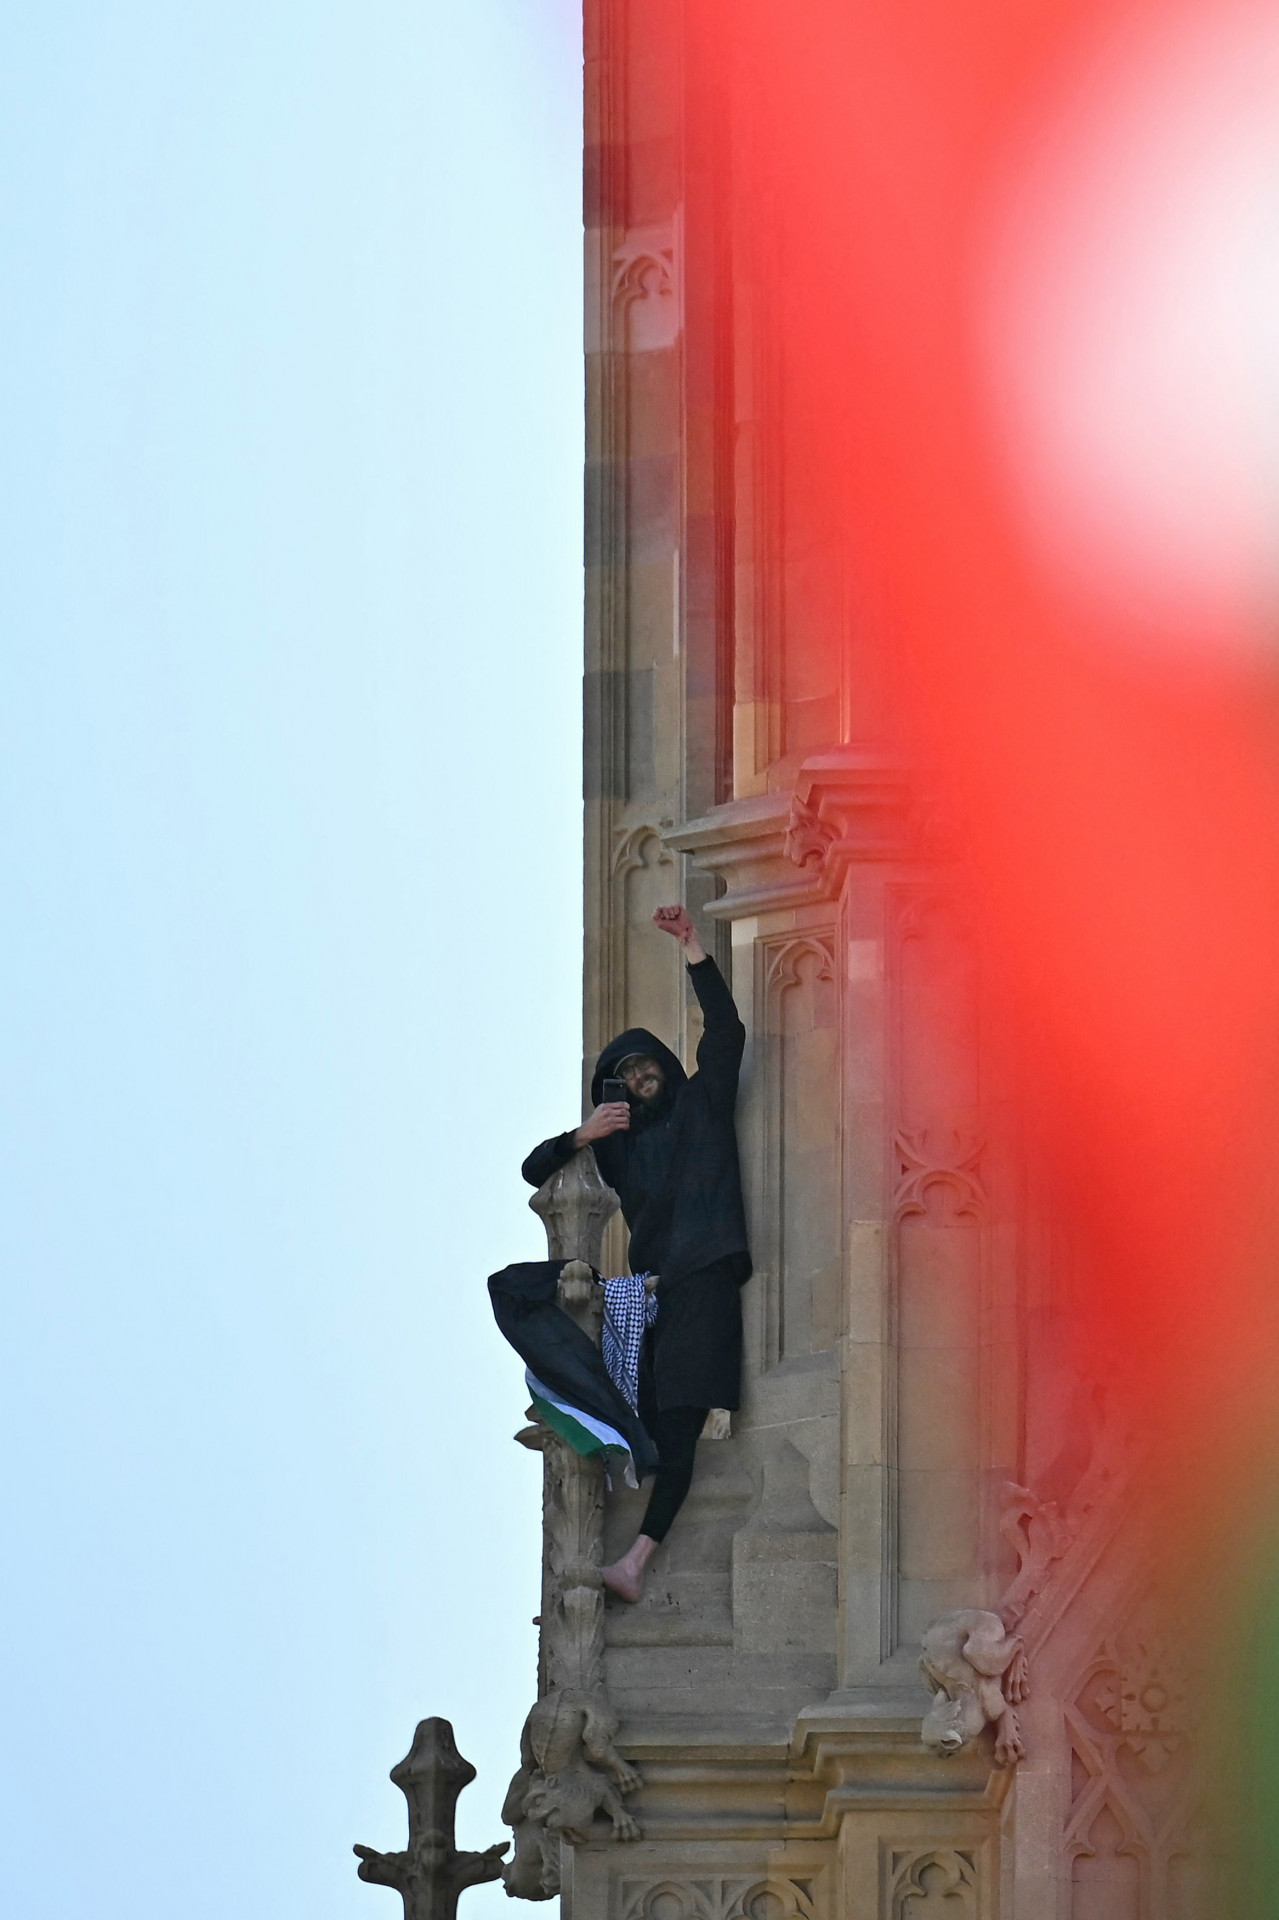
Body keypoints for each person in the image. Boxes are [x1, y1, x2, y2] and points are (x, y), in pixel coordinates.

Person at [521, 904, 751, 1602]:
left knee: (676, 1422)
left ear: (663, 1067)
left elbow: (726, 1032)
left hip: (706, 1273)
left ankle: (636, 1561)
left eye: (646, 1064)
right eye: (625, 1073)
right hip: (655, 1294)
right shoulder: (619, 1151)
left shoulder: (702, 1105)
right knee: (645, 1411)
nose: (640, 1076)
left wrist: (692, 948)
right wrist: (584, 1135)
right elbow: (534, 1170)